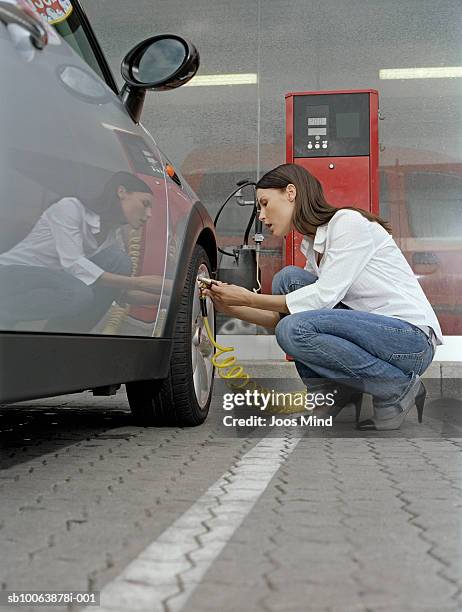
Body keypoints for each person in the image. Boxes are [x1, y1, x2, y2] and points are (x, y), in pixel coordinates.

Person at [203, 163, 442, 431]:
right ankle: (334, 393)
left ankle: (398, 388)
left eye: (265, 203)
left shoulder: (347, 223)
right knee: (289, 282)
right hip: (373, 333)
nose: (262, 215)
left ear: (291, 192)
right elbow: (286, 316)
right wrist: (230, 305)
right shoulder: (312, 245)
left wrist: (247, 298)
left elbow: (319, 300)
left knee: (292, 322)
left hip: (409, 340)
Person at [0, 171, 163, 333]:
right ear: (122, 192)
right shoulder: (70, 207)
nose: (148, 215)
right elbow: (73, 264)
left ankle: (63, 334)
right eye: (145, 203)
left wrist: (168, 296)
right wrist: (139, 282)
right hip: (10, 274)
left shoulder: (113, 236)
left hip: (55, 281)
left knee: (119, 261)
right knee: (78, 293)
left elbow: (119, 292)